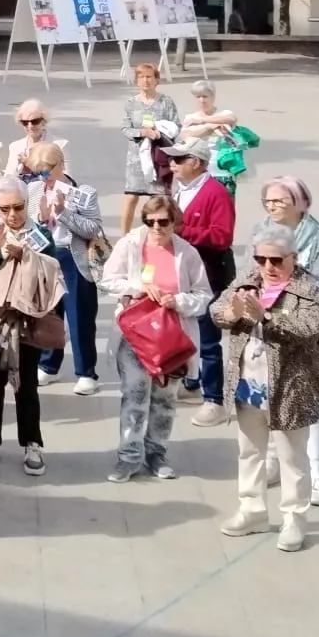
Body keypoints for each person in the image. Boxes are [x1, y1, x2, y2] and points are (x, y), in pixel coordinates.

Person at [211, 220, 319, 552]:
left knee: (293, 459)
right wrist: (232, 311)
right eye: (261, 259)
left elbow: (308, 328)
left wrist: (265, 317)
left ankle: (294, 518)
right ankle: (252, 510)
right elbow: (217, 311)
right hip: (248, 384)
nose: (268, 267)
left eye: (276, 260)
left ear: (293, 257)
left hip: (290, 389)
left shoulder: (310, 288)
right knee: (250, 452)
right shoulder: (247, 281)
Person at [101, 195, 212, 483]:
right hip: (135, 335)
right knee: (135, 395)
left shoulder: (187, 254)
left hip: (171, 337)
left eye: (163, 222)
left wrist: (177, 301)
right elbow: (108, 279)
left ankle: (156, 453)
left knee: (164, 399)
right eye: (150, 222)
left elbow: (203, 296)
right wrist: (139, 287)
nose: (156, 228)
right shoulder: (131, 244)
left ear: (175, 222)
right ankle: (128, 456)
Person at [260, 177, 319, 504]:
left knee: (308, 401)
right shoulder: (262, 230)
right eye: (268, 200)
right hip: (267, 323)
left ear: (302, 203)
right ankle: (274, 460)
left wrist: (284, 279)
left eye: (280, 200)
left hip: (306, 327)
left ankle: (317, 473)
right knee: (267, 394)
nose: (272, 206)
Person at [0, 180, 50, 473]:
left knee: (26, 382)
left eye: (18, 207)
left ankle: (32, 443)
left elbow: (51, 268)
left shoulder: (39, 233)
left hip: (25, 319)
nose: (12, 214)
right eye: (5, 209)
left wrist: (28, 256)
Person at [163, 138, 237, 425]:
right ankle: (193, 383)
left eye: (179, 159)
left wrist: (182, 231)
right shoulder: (179, 189)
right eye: (172, 159)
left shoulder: (216, 193)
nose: (173, 164)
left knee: (208, 338)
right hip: (184, 271)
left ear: (197, 162)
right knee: (187, 329)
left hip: (209, 272)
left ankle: (214, 399)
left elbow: (222, 236)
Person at [22, 143, 104, 394]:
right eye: (38, 172)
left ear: (60, 165)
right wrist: (40, 218)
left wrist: (64, 212)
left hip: (73, 256)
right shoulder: (34, 188)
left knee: (79, 316)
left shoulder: (84, 192)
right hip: (46, 255)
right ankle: (48, 365)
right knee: (48, 313)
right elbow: (27, 225)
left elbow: (93, 229)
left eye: (46, 172)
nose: (43, 178)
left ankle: (86, 372)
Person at [117, 62, 179, 234]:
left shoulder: (166, 102)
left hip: (158, 157)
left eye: (149, 77)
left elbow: (176, 126)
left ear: (156, 80)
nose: (145, 80)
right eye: (141, 77)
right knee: (131, 197)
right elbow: (125, 128)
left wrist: (160, 134)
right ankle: (125, 236)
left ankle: (159, 233)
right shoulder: (131, 103)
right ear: (137, 80)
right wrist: (141, 132)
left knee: (159, 200)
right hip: (136, 158)